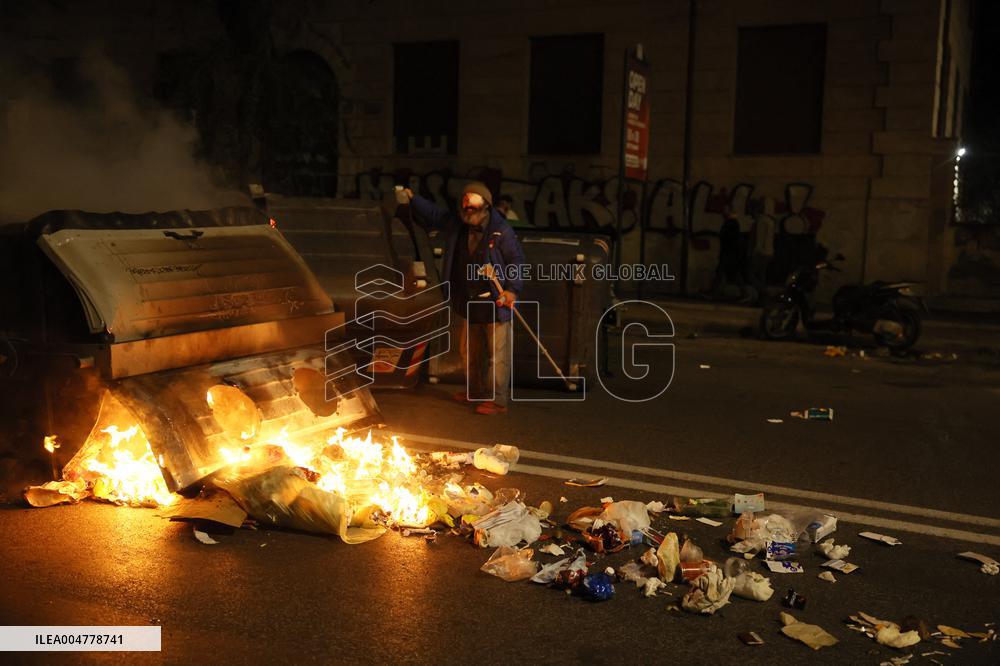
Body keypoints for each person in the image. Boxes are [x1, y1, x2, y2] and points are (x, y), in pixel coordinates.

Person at [403, 182, 526, 415]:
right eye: (465, 202)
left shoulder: (502, 230)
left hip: (495, 302)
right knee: (469, 352)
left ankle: (497, 400)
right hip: (469, 301)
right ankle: (476, 391)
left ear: (486, 205)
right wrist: (412, 199)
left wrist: (512, 290)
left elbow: (517, 261)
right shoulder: (457, 224)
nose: (468, 206)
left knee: (497, 356)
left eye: (474, 202)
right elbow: (435, 214)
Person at [709, 205, 748, 301]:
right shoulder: (733, 223)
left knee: (722, 273)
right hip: (731, 253)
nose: (723, 213)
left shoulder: (731, 224)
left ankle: (713, 293)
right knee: (731, 274)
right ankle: (744, 293)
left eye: (725, 211)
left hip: (728, 253)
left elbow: (728, 240)